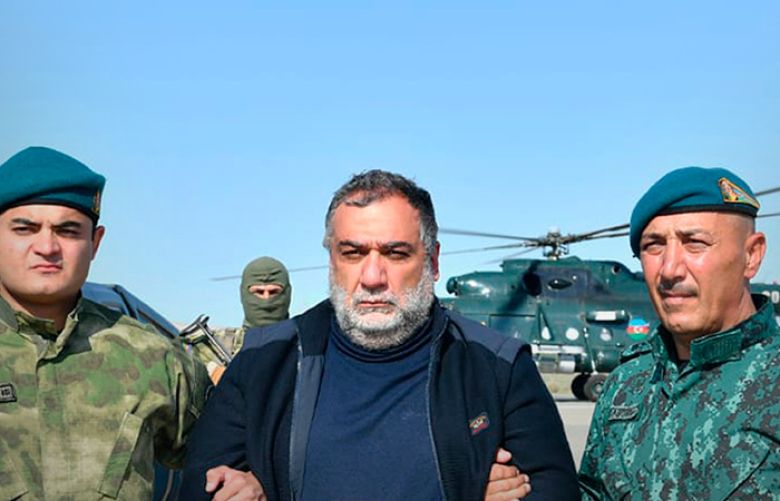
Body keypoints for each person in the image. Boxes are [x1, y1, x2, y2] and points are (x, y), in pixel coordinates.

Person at [180, 169, 579, 500]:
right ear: (332, 260)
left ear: (433, 260)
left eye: (395, 253)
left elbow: (554, 489)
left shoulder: (498, 368)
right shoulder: (264, 364)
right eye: (352, 253)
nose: (372, 277)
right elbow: (201, 485)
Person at [0, 146, 212, 500]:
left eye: (68, 231)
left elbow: (226, 463)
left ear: (95, 243)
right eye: (25, 229)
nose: (47, 247)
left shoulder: (154, 359)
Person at [578, 167, 779, 499]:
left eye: (695, 243)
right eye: (654, 246)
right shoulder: (625, 384)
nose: (669, 269)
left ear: (751, 255)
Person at [186, 256, 292, 383]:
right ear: (244, 294)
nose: (266, 300)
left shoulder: (305, 346)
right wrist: (210, 374)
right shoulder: (210, 347)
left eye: (273, 292)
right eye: (259, 292)